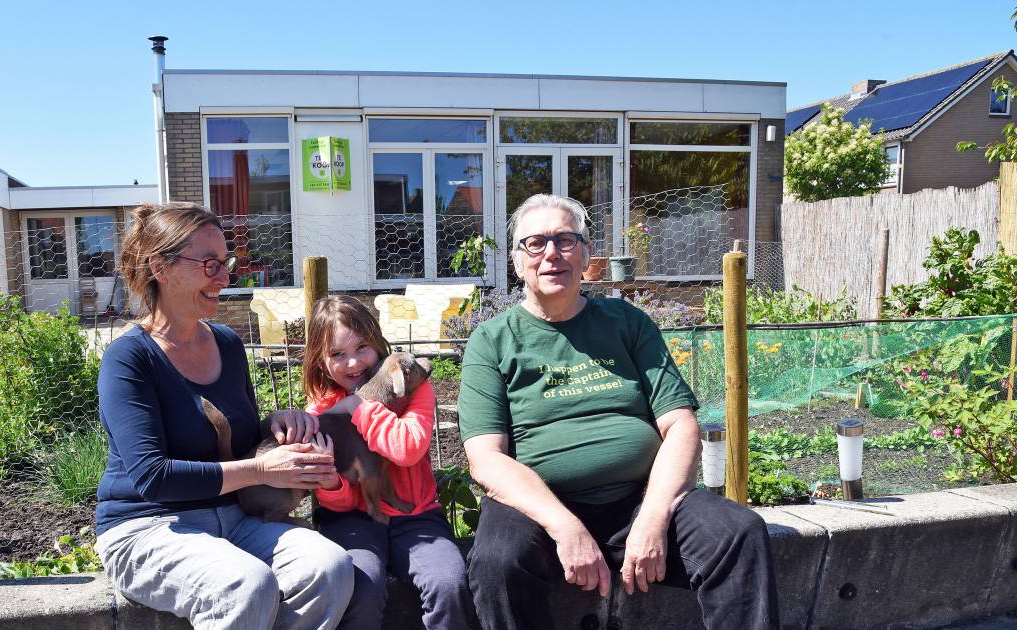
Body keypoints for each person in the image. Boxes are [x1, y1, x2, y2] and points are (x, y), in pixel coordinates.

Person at [458, 194, 779, 630]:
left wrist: (653, 517)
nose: (552, 253)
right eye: (535, 243)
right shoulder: (492, 340)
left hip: (638, 499)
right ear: (517, 262)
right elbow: (486, 458)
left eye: (566, 240)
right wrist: (565, 528)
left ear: (587, 254)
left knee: (739, 533)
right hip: (540, 510)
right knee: (497, 563)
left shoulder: (627, 322)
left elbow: (680, 424)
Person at [94, 202, 353, 630]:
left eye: (226, 263)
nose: (226, 277)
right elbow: (152, 476)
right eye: (210, 264)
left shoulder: (228, 344)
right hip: (147, 528)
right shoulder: (129, 358)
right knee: (244, 584)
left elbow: (234, 433)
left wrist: (275, 423)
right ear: (161, 266)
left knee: (328, 566)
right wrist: (261, 469)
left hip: (233, 519)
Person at [302, 295, 477, 630]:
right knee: (359, 588)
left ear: (378, 343)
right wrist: (332, 484)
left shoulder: (412, 387)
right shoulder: (320, 412)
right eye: (338, 354)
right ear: (321, 361)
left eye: (362, 347)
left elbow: (408, 449)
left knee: (448, 584)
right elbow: (338, 496)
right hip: (350, 520)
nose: (353, 363)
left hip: (417, 516)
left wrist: (360, 407)